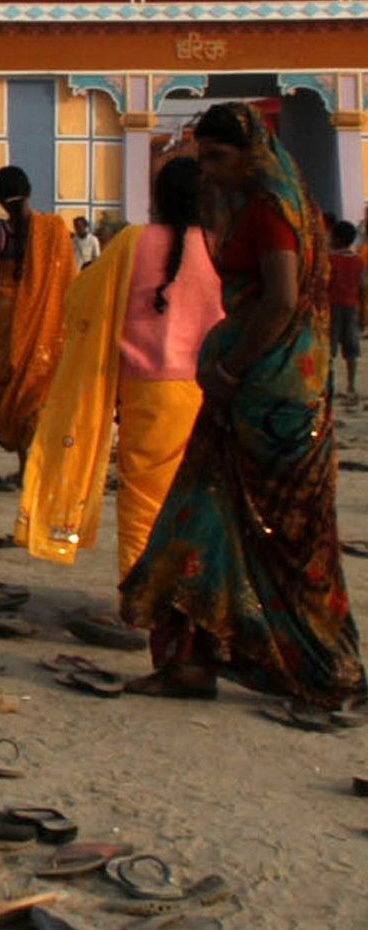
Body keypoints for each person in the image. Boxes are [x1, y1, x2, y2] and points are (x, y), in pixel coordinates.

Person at [120, 102, 365, 709]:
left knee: (283, 536)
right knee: (206, 520)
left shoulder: (271, 211)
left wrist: (230, 367)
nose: (209, 169)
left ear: (252, 154)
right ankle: (193, 660)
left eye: (219, 157)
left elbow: (280, 300)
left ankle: (322, 665)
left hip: (269, 399)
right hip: (262, 394)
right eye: (202, 158)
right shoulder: (272, 207)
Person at [18, 157, 224, 579]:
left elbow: (81, 298)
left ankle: (140, 598)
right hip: (209, 390)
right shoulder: (220, 246)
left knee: (143, 501)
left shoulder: (133, 241)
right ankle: (190, 593)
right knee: (202, 498)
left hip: (147, 391)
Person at [0, 165, 76, 462]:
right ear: (29, 191)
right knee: (39, 388)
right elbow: (69, 280)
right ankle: (39, 462)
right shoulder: (55, 229)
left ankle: (23, 462)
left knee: (12, 389)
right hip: (46, 321)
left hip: (5, 319)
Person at [327, 219, 365, 398]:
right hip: (351, 307)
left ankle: (328, 385)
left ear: (337, 239)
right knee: (351, 349)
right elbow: (363, 288)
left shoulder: (330, 259)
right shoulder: (358, 261)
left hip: (332, 306)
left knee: (329, 349)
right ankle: (351, 385)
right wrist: (363, 314)